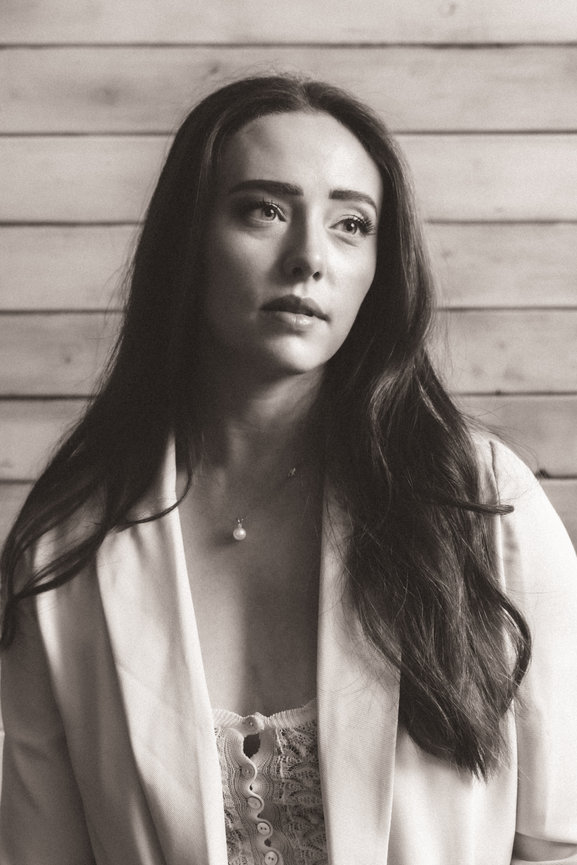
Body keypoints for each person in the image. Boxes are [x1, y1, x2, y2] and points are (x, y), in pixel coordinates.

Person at [1, 75, 576, 865]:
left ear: (381, 265)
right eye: (262, 210)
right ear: (189, 236)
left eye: (350, 224)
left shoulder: (482, 505)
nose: (308, 258)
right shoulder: (65, 547)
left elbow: (557, 843)